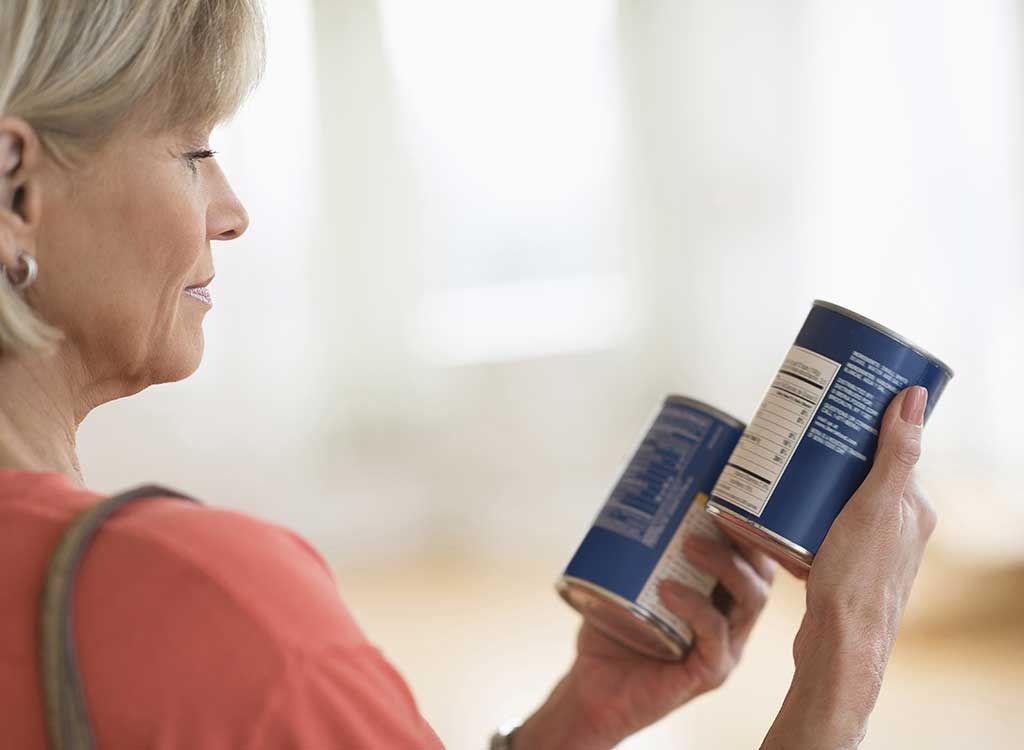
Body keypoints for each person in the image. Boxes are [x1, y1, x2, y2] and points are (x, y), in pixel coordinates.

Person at [0, 2, 937, 749]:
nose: (232, 211)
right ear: (15, 186)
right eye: (192, 149)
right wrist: (841, 671)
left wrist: (572, 727)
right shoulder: (196, 600)